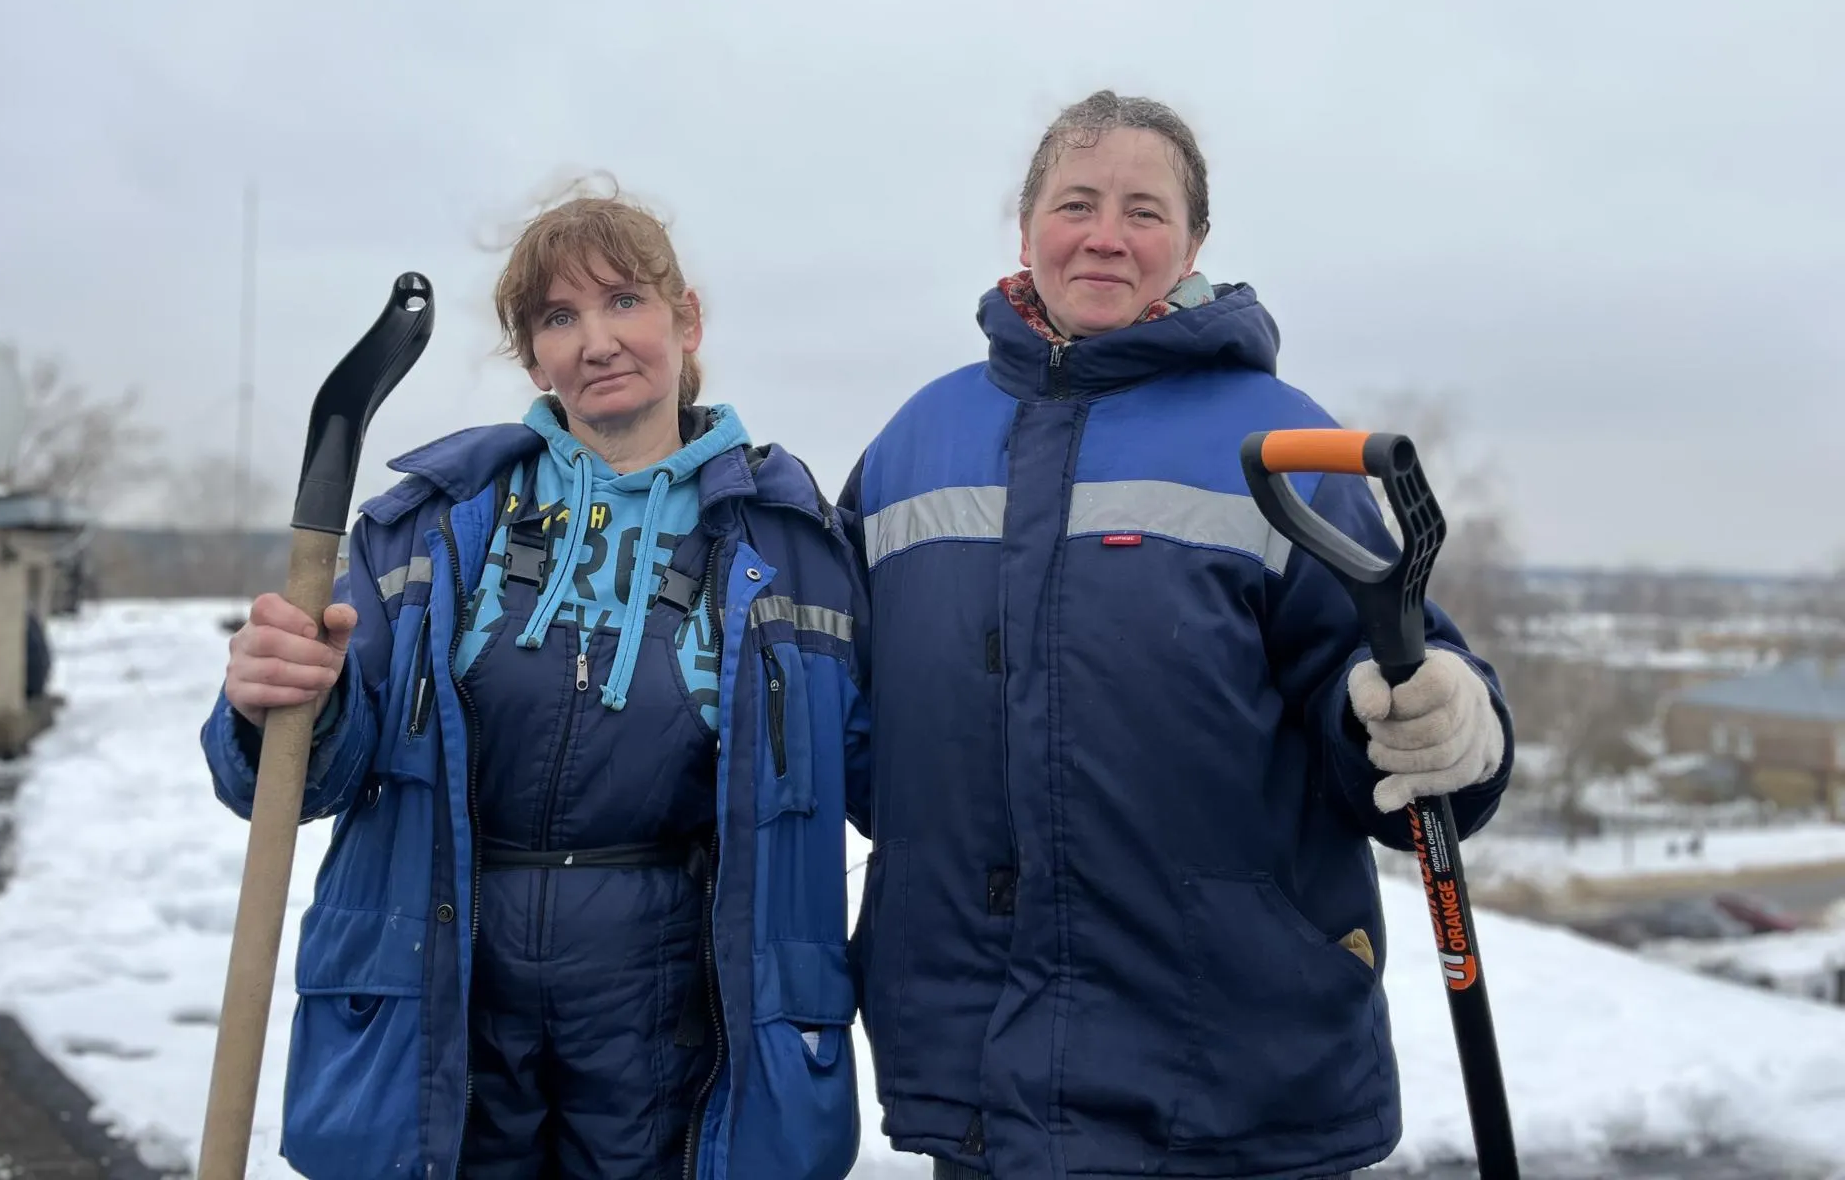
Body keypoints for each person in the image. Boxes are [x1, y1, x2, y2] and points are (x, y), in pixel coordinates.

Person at [839, 91, 1514, 1180]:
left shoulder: (1280, 442)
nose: (1107, 235)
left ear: (1193, 245)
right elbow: (849, 711)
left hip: (1233, 1075)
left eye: (1145, 211)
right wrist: (933, 841)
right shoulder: (917, 441)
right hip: (981, 1078)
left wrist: (1446, 721)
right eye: (1078, 202)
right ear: (1026, 229)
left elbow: (1385, 690)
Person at [201, 185, 870, 1180]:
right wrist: (283, 703)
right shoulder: (432, 527)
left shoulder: (789, 539)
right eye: (559, 318)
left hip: (675, 991)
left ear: (685, 321)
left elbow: (880, 770)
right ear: (531, 355)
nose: (595, 341)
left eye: (624, 303)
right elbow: (299, 775)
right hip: (449, 970)